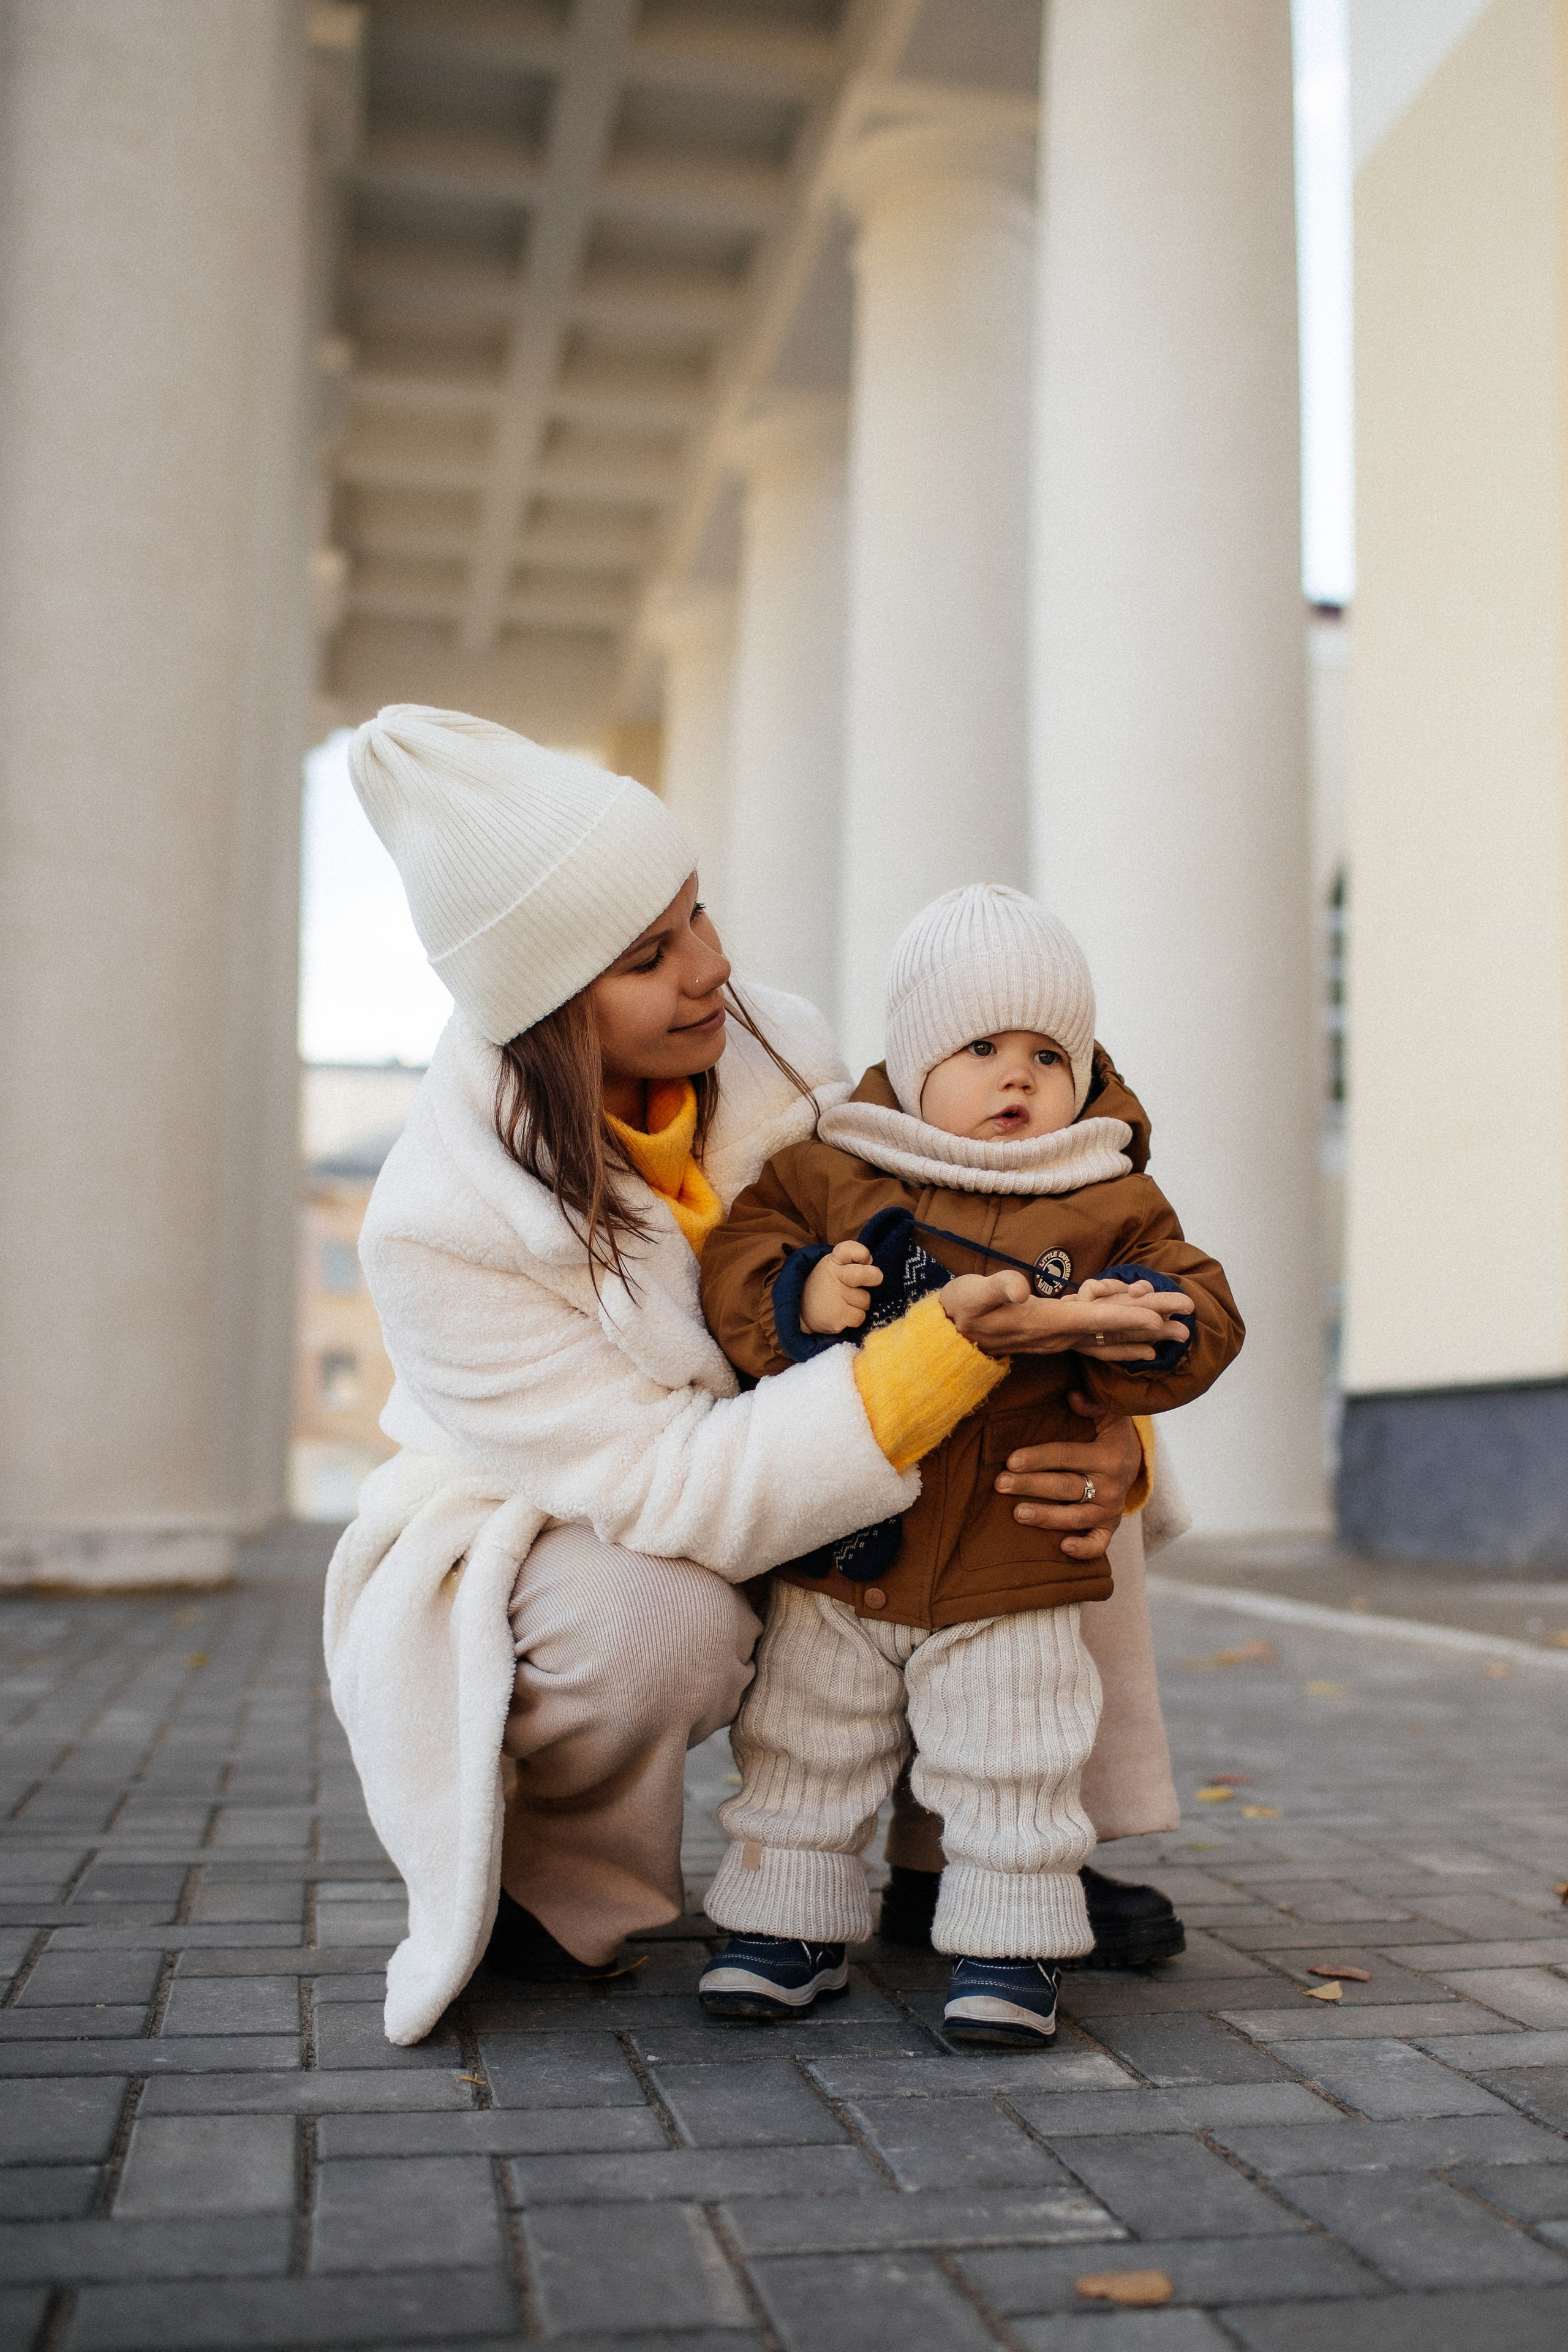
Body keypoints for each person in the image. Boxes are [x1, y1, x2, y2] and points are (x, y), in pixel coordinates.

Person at [322, 708, 1184, 2049]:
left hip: (826, 1425)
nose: (710, 968)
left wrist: (1120, 1434)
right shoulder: (442, 1224)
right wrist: (934, 1359)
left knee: (1057, 1460)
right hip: (587, 1504)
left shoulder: (775, 1044)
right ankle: (565, 1886)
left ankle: (958, 1854)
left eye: (697, 912)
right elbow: (665, 1481)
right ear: (547, 1005)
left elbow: (1003, 1153)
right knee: (646, 1622)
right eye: (648, 955)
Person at [696, 885, 1243, 2047]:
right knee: (805, 1742)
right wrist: (798, 1293)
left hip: (1013, 1547)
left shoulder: (1106, 1195)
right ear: (911, 1058)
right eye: (982, 1047)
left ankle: (1011, 1946)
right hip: (846, 1546)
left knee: (1017, 1752)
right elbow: (740, 1260)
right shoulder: (836, 1171)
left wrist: (1153, 1320)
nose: (1018, 1077)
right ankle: (785, 1925)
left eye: (1051, 1052)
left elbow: (1201, 1297)